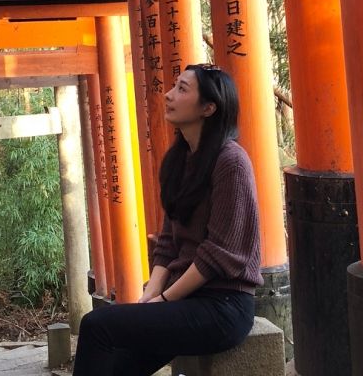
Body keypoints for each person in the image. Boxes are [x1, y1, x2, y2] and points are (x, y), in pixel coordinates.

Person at [72, 64, 263, 376]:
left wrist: (164, 299)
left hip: (223, 306)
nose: (169, 95)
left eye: (182, 89)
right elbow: (168, 241)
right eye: (174, 87)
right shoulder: (181, 159)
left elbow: (218, 255)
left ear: (209, 108)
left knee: (96, 325)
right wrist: (151, 294)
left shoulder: (232, 162)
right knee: (118, 366)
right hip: (186, 300)